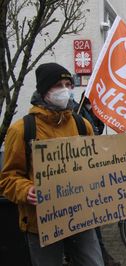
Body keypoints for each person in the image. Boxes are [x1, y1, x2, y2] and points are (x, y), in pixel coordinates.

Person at [0, 63, 104, 266]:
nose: (65, 90)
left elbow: (97, 165)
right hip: (41, 224)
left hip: (81, 217)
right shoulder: (22, 129)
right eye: (58, 85)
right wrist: (26, 190)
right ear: (44, 90)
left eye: (68, 84)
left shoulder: (83, 125)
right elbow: (8, 178)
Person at [73, 95, 120, 266]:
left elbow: (95, 149)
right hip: (72, 189)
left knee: (94, 224)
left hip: (87, 188)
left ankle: (102, 254)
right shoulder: (79, 116)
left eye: (68, 85)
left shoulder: (86, 120)